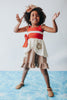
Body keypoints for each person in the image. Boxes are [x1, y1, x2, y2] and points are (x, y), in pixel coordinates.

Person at [14, 5, 60, 97]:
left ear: (41, 17)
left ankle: (48, 88)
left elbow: (54, 30)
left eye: (37, 15)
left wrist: (53, 20)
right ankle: (22, 82)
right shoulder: (28, 28)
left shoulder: (42, 27)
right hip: (30, 51)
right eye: (32, 15)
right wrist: (19, 23)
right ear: (29, 19)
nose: (35, 17)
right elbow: (16, 30)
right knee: (26, 68)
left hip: (40, 51)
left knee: (43, 69)